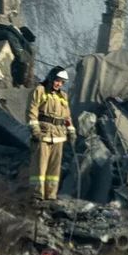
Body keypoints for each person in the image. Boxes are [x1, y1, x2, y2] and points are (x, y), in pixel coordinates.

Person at [27, 66, 75, 201]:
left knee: (54, 171)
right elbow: (32, 112)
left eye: (62, 82)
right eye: (57, 80)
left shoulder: (63, 96)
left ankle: (51, 196)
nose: (59, 84)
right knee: (39, 168)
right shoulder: (40, 90)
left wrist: (71, 131)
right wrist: (35, 131)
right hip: (42, 135)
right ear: (51, 78)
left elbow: (67, 117)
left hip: (59, 137)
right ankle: (37, 195)